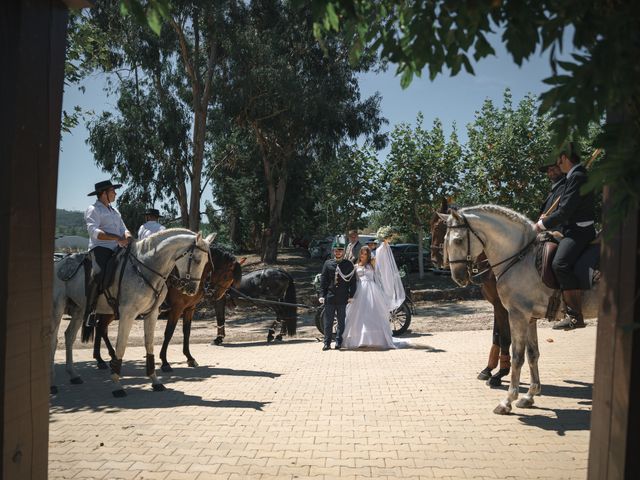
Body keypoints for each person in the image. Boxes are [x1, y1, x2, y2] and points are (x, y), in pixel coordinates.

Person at [535, 144, 596, 330]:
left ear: (565, 158)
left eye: (559, 160)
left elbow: (565, 212)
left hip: (578, 231)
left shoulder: (577, 176)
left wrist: (541, 225)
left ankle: (575, 315)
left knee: (559, 264)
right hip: (572, 230)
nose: (557, 164)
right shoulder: (573, 177)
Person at [84, 180, 132, 326]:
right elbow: (94, 232)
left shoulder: (115, 211)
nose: (115, 193)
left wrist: (128, 236)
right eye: (113, 191)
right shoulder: (93, 209)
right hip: (100, 248)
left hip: (118, 248)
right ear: (104, 193)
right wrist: (116, 238)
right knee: (97, 274)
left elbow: (123, 228)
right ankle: (91, 311)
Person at [342, 239, 406, 349]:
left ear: (368, 255)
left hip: (372, 290)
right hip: (359, 291)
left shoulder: (372, 264)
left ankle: (377, 339)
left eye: (365, 254)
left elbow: (381, 257)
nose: (363, 256)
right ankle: (360, 339)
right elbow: (351, 280)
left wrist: (384, 245)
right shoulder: (355, 266)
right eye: (362, 253)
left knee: (372, 314)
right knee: (359, 315)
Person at [319, 238, 357, 350]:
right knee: (328, 322)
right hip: (330, 297)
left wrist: (351, 296)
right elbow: (323, 280)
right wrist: (322, 295)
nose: (338, 252)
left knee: (341, 322)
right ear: (333, 251)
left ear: (343, 251)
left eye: (340, 250)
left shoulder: (348, 264)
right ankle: (326, 343)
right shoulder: (328, 263)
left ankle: (338, 342)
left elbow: (352, 281)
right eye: (336, 250)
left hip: (343, 297)